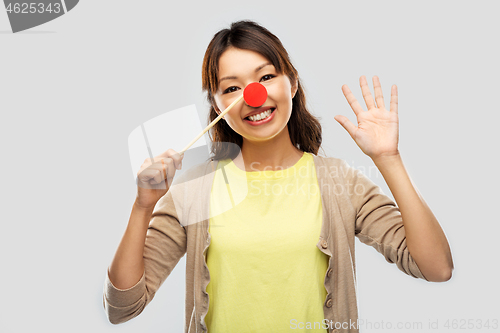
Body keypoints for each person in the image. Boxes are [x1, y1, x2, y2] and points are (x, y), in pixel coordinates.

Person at [102, 20, 453, 333]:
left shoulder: (340, 183)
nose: (254, 96)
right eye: (232, 88)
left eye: (266, 77)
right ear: (218, 108)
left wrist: (388, 159)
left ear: (293, 83)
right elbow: (122, 308)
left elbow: (436, 268)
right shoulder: (193, 191)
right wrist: (142, 207)